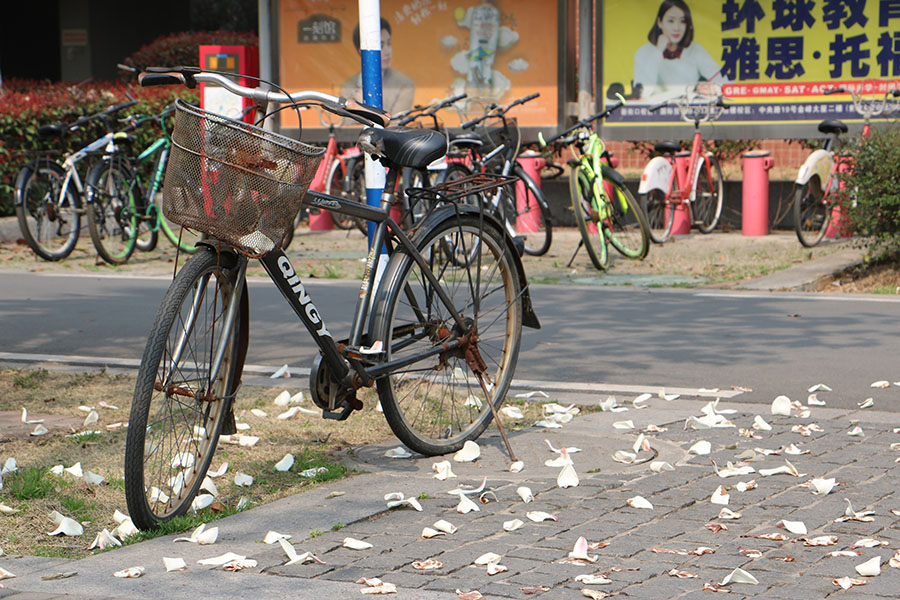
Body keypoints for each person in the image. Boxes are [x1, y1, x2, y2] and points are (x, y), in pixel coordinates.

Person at [632, 0, 726, 102]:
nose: (676, 28)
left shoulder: (695, 50)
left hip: (688, 109)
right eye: (671, 21)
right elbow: (643, 93)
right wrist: (658, 51)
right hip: (655, 109)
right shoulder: (642, 52)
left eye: (682, 21)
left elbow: (725, 82)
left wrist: (713, 88)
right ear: (659, 22)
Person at [339, 18, 415, 115]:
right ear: (361, 50)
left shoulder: (404, 84)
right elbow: (346, 123)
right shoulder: (347, 86)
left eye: (389, 44)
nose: (387, 51)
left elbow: (398, 122)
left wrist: (364, 107)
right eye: (380, 46)